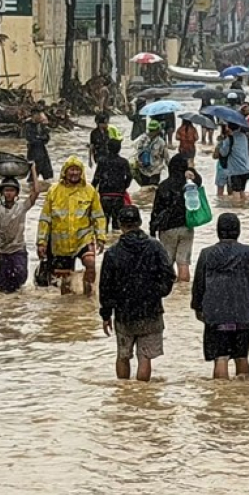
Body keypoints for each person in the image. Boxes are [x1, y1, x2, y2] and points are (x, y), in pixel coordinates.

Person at [192, 213, 249, 379]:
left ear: (218, 231)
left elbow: (199, 284)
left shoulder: (207, 254)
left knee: (221, 358)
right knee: (241, 357)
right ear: (238, 231)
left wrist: (198, 307)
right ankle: (243, 396)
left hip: (216, 313)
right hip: (243, 313)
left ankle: (222, 396)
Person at [98, 205, 176, 382]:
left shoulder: (112, 253)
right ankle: (141, 396)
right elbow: (169, 274)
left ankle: (124, 393)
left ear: (120, 224)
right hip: (150, 310)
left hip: (124, 312)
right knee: (145, 357)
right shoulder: (155, 247)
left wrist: (105, 314)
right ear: (140, 222)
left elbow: (105, 287)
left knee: (123, 355)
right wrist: (158, 292)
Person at [37, 156, 105, 296]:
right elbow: (45, 219)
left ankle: (89, 296)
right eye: (71, 170)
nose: (74, 173)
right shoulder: (54, 191)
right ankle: (68, 310)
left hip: (83, 238)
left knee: (90, 264)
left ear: (82, 172)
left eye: (77, 170)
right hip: (61, 244)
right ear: (64, 172)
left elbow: (98, 216)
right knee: (65, 285)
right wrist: (41, 242)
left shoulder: (90, 190)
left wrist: (101, 237)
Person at [0, 163, 41, 293]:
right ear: (2, 192)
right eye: (6, 190)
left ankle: (17, 308)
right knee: (2, 289)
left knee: (19, 279)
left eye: (12, 190)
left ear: (17, 193)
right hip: (2, 252)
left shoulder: (22, 207)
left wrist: (33, 170)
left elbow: (36, 192)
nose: (9, 193)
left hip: (18, 250)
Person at [149, 153, 204, 283]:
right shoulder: (189, 185)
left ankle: (172, 295)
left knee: (167, 262)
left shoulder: (163, 186)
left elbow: (156, 210)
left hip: (167, 228)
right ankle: (183, 293)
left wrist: (152, 228)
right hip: (187, 227)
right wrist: (190, 171)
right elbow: (199, 181)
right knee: (184, 262)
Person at [92, 138, 134, 235]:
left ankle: (104, 243)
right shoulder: (123, 162)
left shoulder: (102, 161)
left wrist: (92, 191)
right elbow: (130, 176)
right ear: (119, 149)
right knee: (117, 225)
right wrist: (124, 186)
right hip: (118, 196)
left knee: (103, 222)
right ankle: (114, 241)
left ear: (107, 148)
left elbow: (96, 177)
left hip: (105, 195)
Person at [219, 122, 249, 205]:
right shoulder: (244, 136)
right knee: (242, 191)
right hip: (246, 169)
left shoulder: (229, 139)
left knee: (236, 193)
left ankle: (237, 210)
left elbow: (223, 153)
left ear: (229, 128)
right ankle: (247, 210)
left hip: (236, 170)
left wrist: (221, 143)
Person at [133, 119, 169, 187]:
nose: (151, 132)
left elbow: (166, 157)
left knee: (151, 188)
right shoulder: (142, 139)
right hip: (144, 169)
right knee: (147, 188)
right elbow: (137, 152)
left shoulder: (161, 142)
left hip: (155, 170)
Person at [24, 111, 54, 181]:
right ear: (34, 115)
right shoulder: (28, 125)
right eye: (39, 115)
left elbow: (47, 138)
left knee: (48, 174)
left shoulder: (41, 125)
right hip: (33, 152)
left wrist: (39, 137)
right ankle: (30, 189)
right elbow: (30, 139)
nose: (40, 117)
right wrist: (40, 138)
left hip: (42, 151)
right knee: (34, 174)